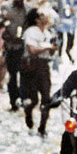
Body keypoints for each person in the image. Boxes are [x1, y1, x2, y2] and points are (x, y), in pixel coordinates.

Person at [21, 8, 55, 137]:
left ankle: (42, 127)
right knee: (34, 99)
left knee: (46, 98)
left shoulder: (47, 33)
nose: (45, 16)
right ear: (37, 19)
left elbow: (50, 53)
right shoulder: (30, 32)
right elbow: (32, 50)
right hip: (32, 66)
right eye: (41, 15)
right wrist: (47, 47)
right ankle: (28, 112)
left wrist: (53, 49)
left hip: (44, 66)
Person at [0, 0, 28, 110]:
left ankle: (22, 99)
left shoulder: (28, 9)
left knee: (23, 74)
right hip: (10, 46)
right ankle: (13, 101)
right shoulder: (6, 7)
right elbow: (0, 25)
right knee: (12, 75)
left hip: (23, 46)